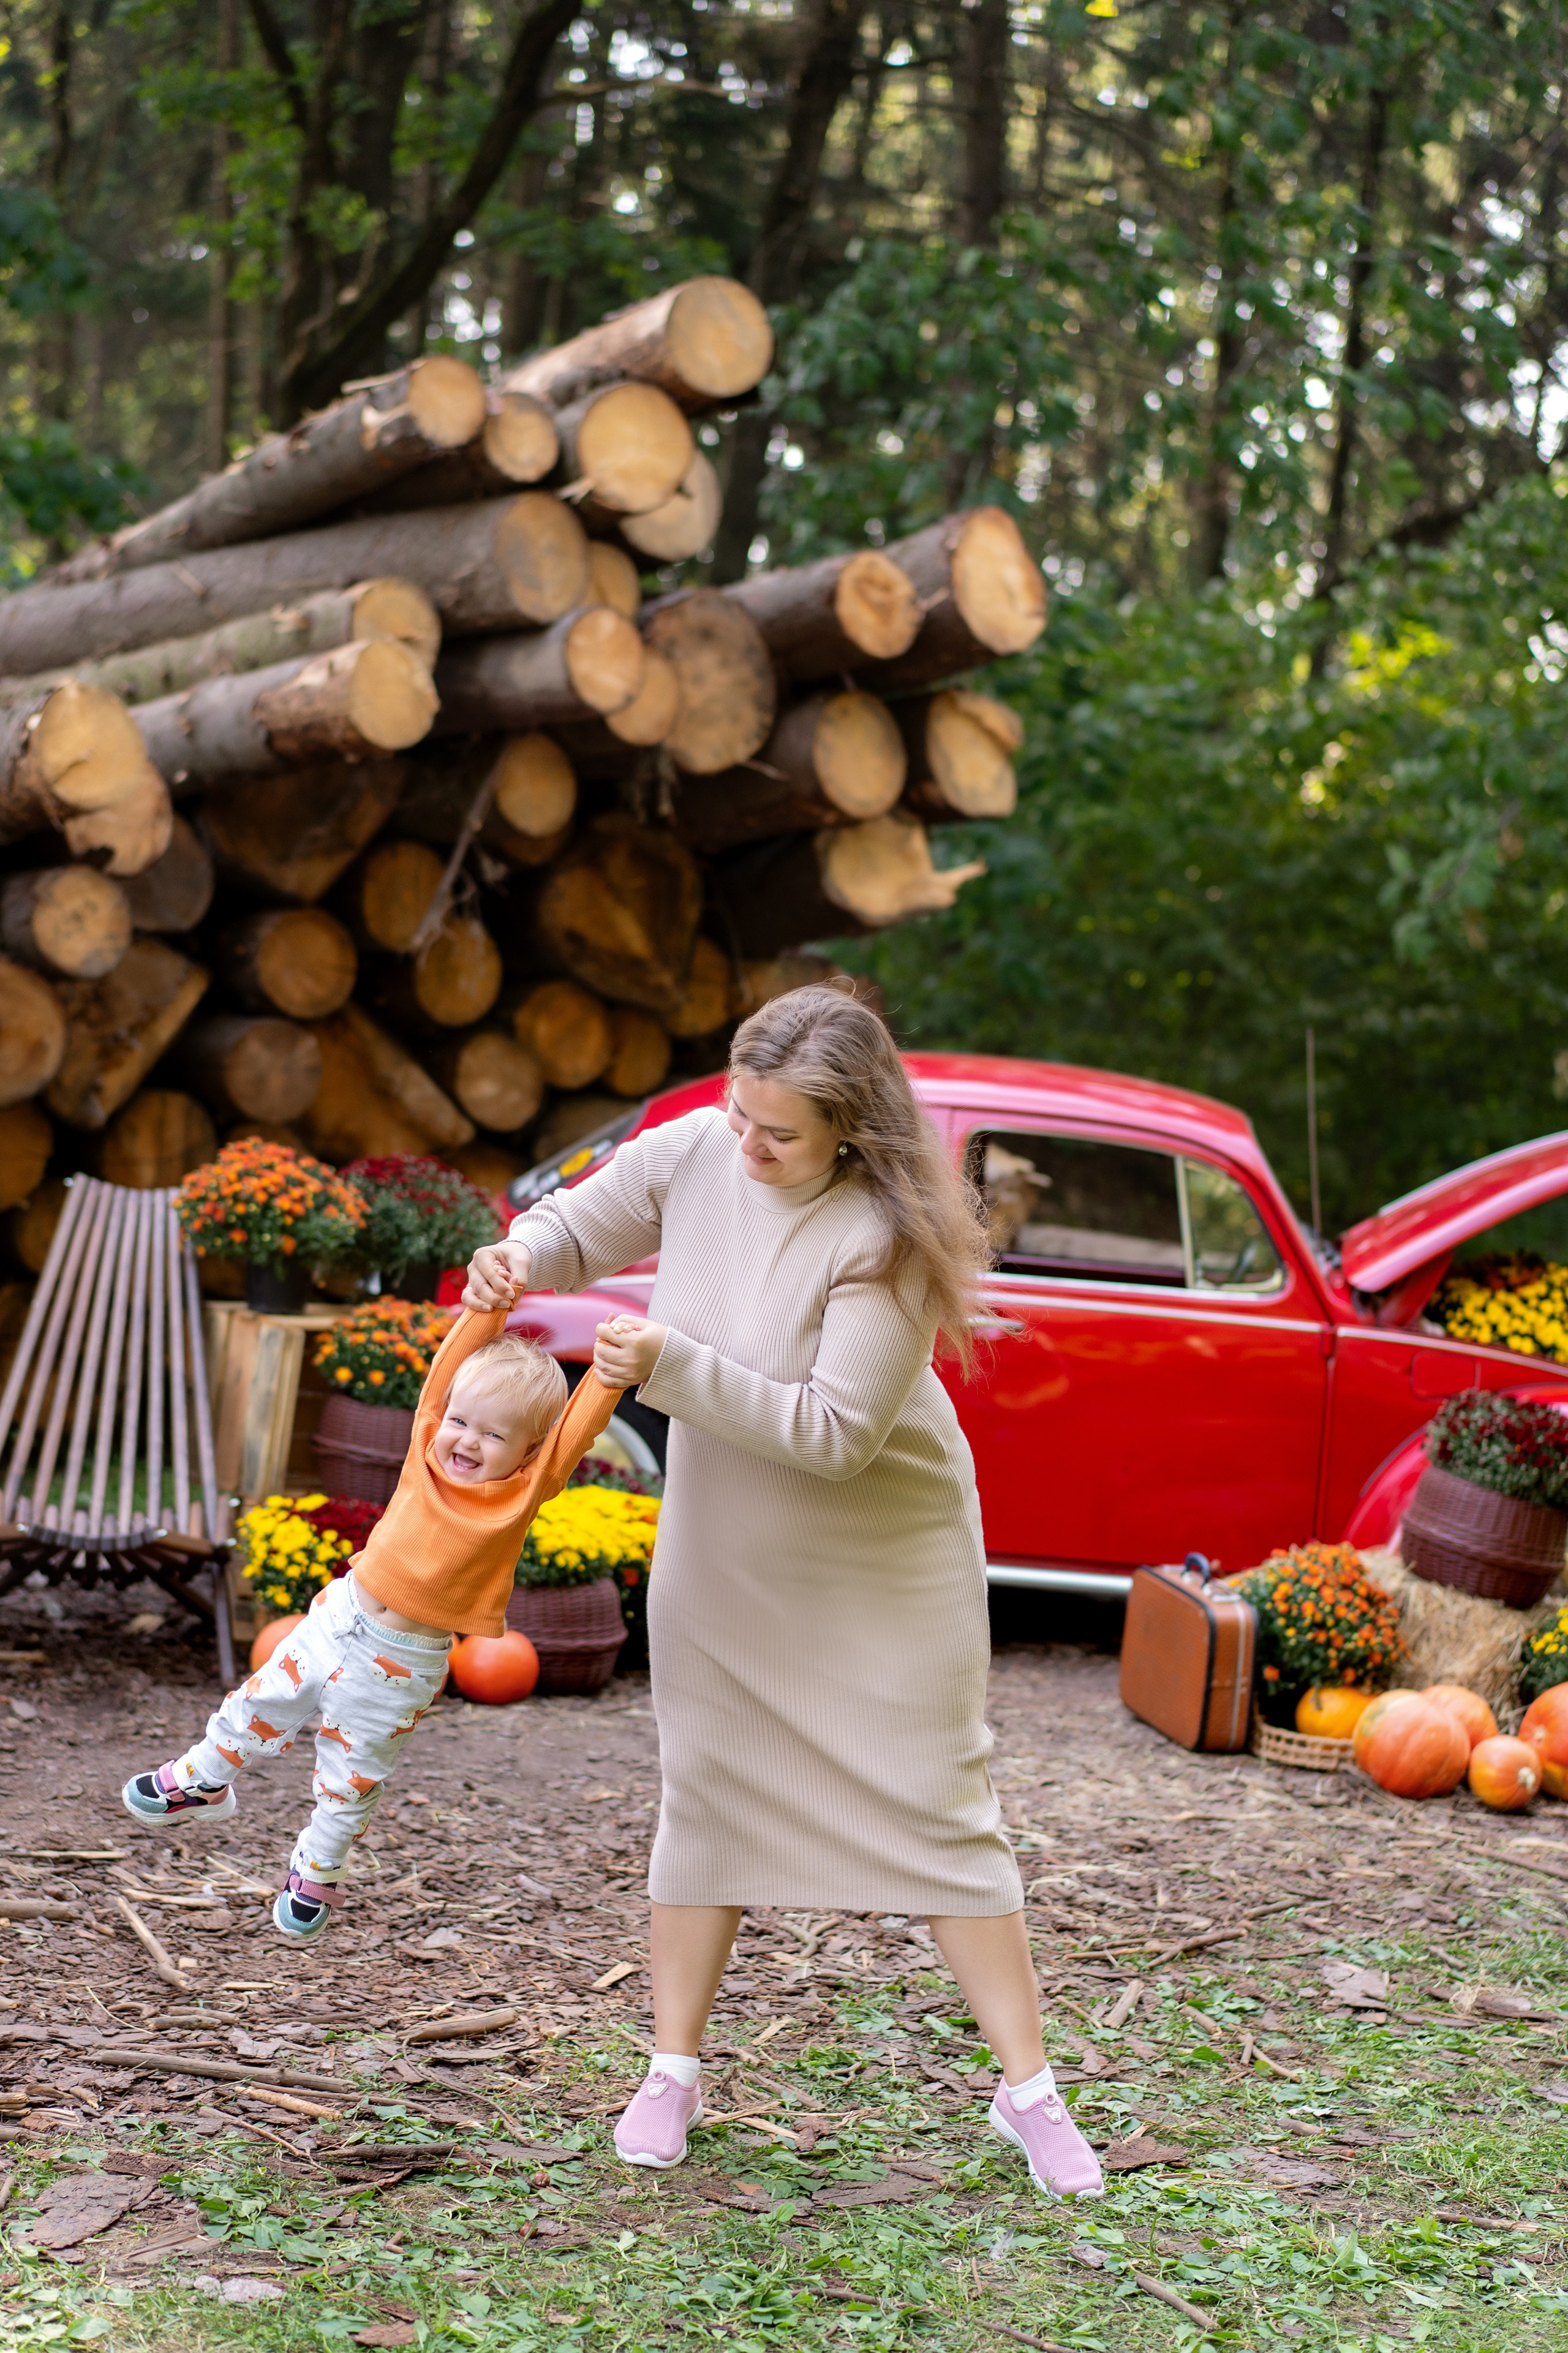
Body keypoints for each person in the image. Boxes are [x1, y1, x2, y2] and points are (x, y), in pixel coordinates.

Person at [463, 983, 1102, 2201]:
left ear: (850, 1131)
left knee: (939, 1806)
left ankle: (1026, 2095)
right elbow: (580, 1223)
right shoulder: (704, 1143)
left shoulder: (886, 1238)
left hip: (878, 1548)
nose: (746, 1147)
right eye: (740, 1114)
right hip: (726, 1547)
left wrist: (668, 1364)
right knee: (705, 1791)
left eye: (780, 1134)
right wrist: (520, 1254)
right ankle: (670, 2069)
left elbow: (829, 1435)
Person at [123, 1305, 621, 1941]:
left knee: (352, 1771)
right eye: (461, 1422)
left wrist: (607, 1375)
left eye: (493, 1435)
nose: (466, 1440)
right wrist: (488, 1307)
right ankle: (203, 1780)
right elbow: (443, 1376)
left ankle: (317, 1866)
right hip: (340, 1616)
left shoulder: (520, 1494)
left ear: (529, 1452)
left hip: (402, 1663)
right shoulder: (426, 1453)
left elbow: (573, 1432)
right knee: (258, 1701)